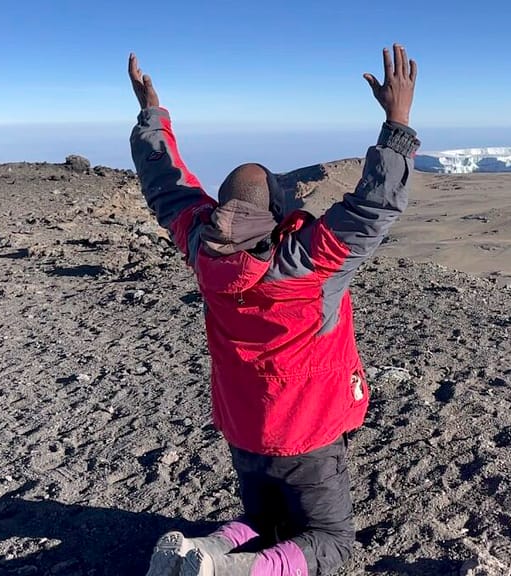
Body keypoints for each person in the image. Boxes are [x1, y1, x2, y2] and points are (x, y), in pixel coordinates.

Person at [127, 45, 419, 576]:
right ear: (278, 213)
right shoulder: (313, 261)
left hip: (243, 427)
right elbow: (375, 205)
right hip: (307, 432)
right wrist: (397, 123)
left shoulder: (200, 244)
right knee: (331, 541)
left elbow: (167, 187)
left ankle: (207, 552)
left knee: (263, 519)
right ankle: (235, 571)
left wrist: (152, 117)